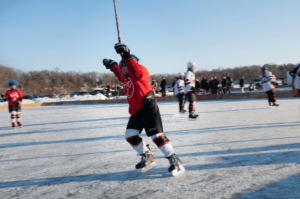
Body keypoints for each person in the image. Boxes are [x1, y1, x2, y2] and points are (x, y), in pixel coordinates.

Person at [102, 43, 184, 176]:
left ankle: (174, 159)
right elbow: (118, 71)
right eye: (122, 67)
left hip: (148, 107)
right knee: (130, 135)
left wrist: (127, 54)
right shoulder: (125, 76)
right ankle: (147, 156)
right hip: (136, 111)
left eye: (124, 67)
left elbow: (133, 67)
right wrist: (112, 65)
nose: (122, 70)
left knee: (156, 136)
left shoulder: (139, 72)